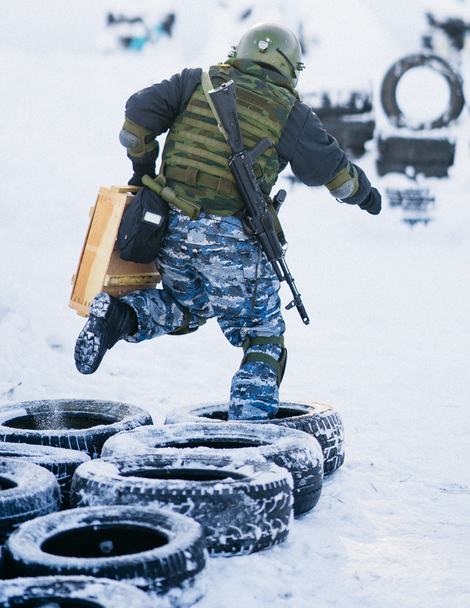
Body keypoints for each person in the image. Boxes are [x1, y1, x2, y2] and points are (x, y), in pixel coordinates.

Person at [74, 22, 381, 420]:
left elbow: (135, 122)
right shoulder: (291, 112)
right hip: (231, 240)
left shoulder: (194, 82)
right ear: (290, 67)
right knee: (261, 329)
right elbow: (337, 177)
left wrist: (143, 171)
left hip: (169, 230)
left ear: (240, 53)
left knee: (187, 305)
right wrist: (368, 196)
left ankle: (115, 317)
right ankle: (251, 425)